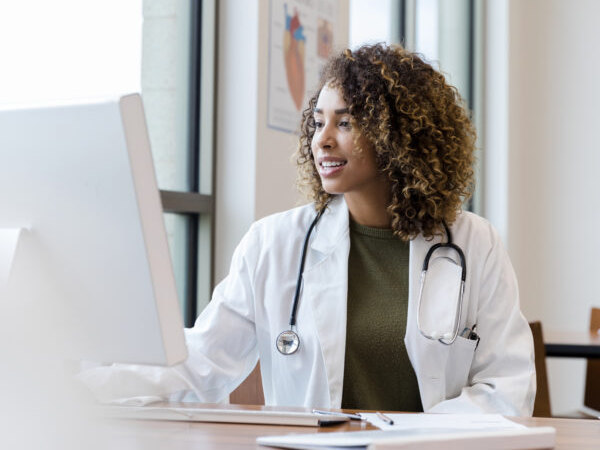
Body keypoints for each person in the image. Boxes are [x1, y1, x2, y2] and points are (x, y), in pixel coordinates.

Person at [81, 43, 535, 415]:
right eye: (318, 122)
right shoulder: (273, 244)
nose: (322, 139)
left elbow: (507, 388)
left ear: (398, 136)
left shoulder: (474, 245)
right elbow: (200, 363)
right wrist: (84, 382)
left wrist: (409, 437)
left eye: (346, 122)